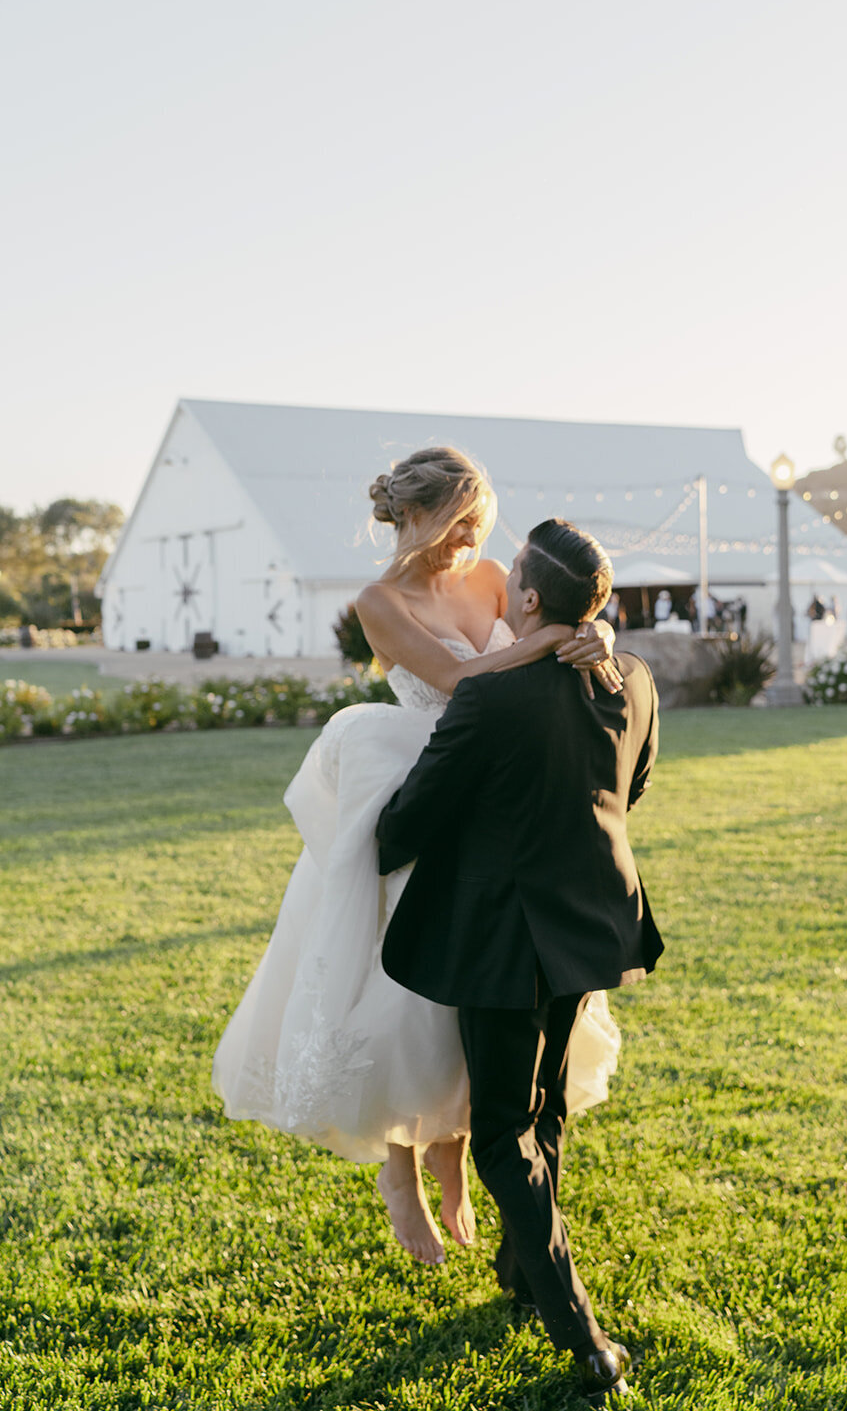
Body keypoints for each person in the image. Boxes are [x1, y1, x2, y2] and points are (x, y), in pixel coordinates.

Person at [212, 448, 622, 1268]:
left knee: (480, 995)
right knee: (401, 987)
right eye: (457, 522)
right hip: (423, 784)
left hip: (502, 797)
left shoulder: (495, 577)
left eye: (482, 520)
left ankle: (454, 1153)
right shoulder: (379, 600)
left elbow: (552, 620)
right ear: (413, 516)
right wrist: (558, 640)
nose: (472, 538)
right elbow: (465, 682)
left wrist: (593, 629)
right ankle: (399, 1170)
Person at [377, 519, 662, 1402]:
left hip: (505, 936)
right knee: (543, 1116)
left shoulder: (490, 699)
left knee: (503, 1130)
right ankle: (517, 1265)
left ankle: (579, 1333)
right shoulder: (636, 681)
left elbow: (406, 824)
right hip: (591, 921)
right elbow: (634, 782)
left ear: (529, 600)